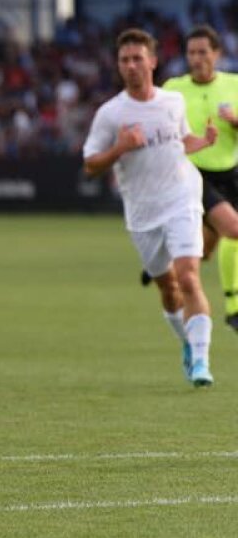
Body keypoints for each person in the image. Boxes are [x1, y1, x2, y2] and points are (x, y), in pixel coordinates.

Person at [83, 28, 220, 387]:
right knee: (169, 289)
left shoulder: (172, 102)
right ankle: (187, 345)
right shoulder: (111, 114)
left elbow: (181, 141)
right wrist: (119, 148)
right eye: (125, 60)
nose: (131, 65)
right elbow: (90, 165)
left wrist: (202, 141)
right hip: (143, 213)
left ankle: (203, 361)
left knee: (189, 275)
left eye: (137, 58)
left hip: (182, 198)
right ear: (118, 65)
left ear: (152, 62)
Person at [161, 24, 238, 333]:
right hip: (192, 176)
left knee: (202, 252)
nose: (197, 58)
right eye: (191, 52)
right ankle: (234, 307)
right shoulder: (172, 89)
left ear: (217, 54)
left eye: (203, 52)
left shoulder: (234, 85)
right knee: (234, 228)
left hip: (229, 174)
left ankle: (161, 269)